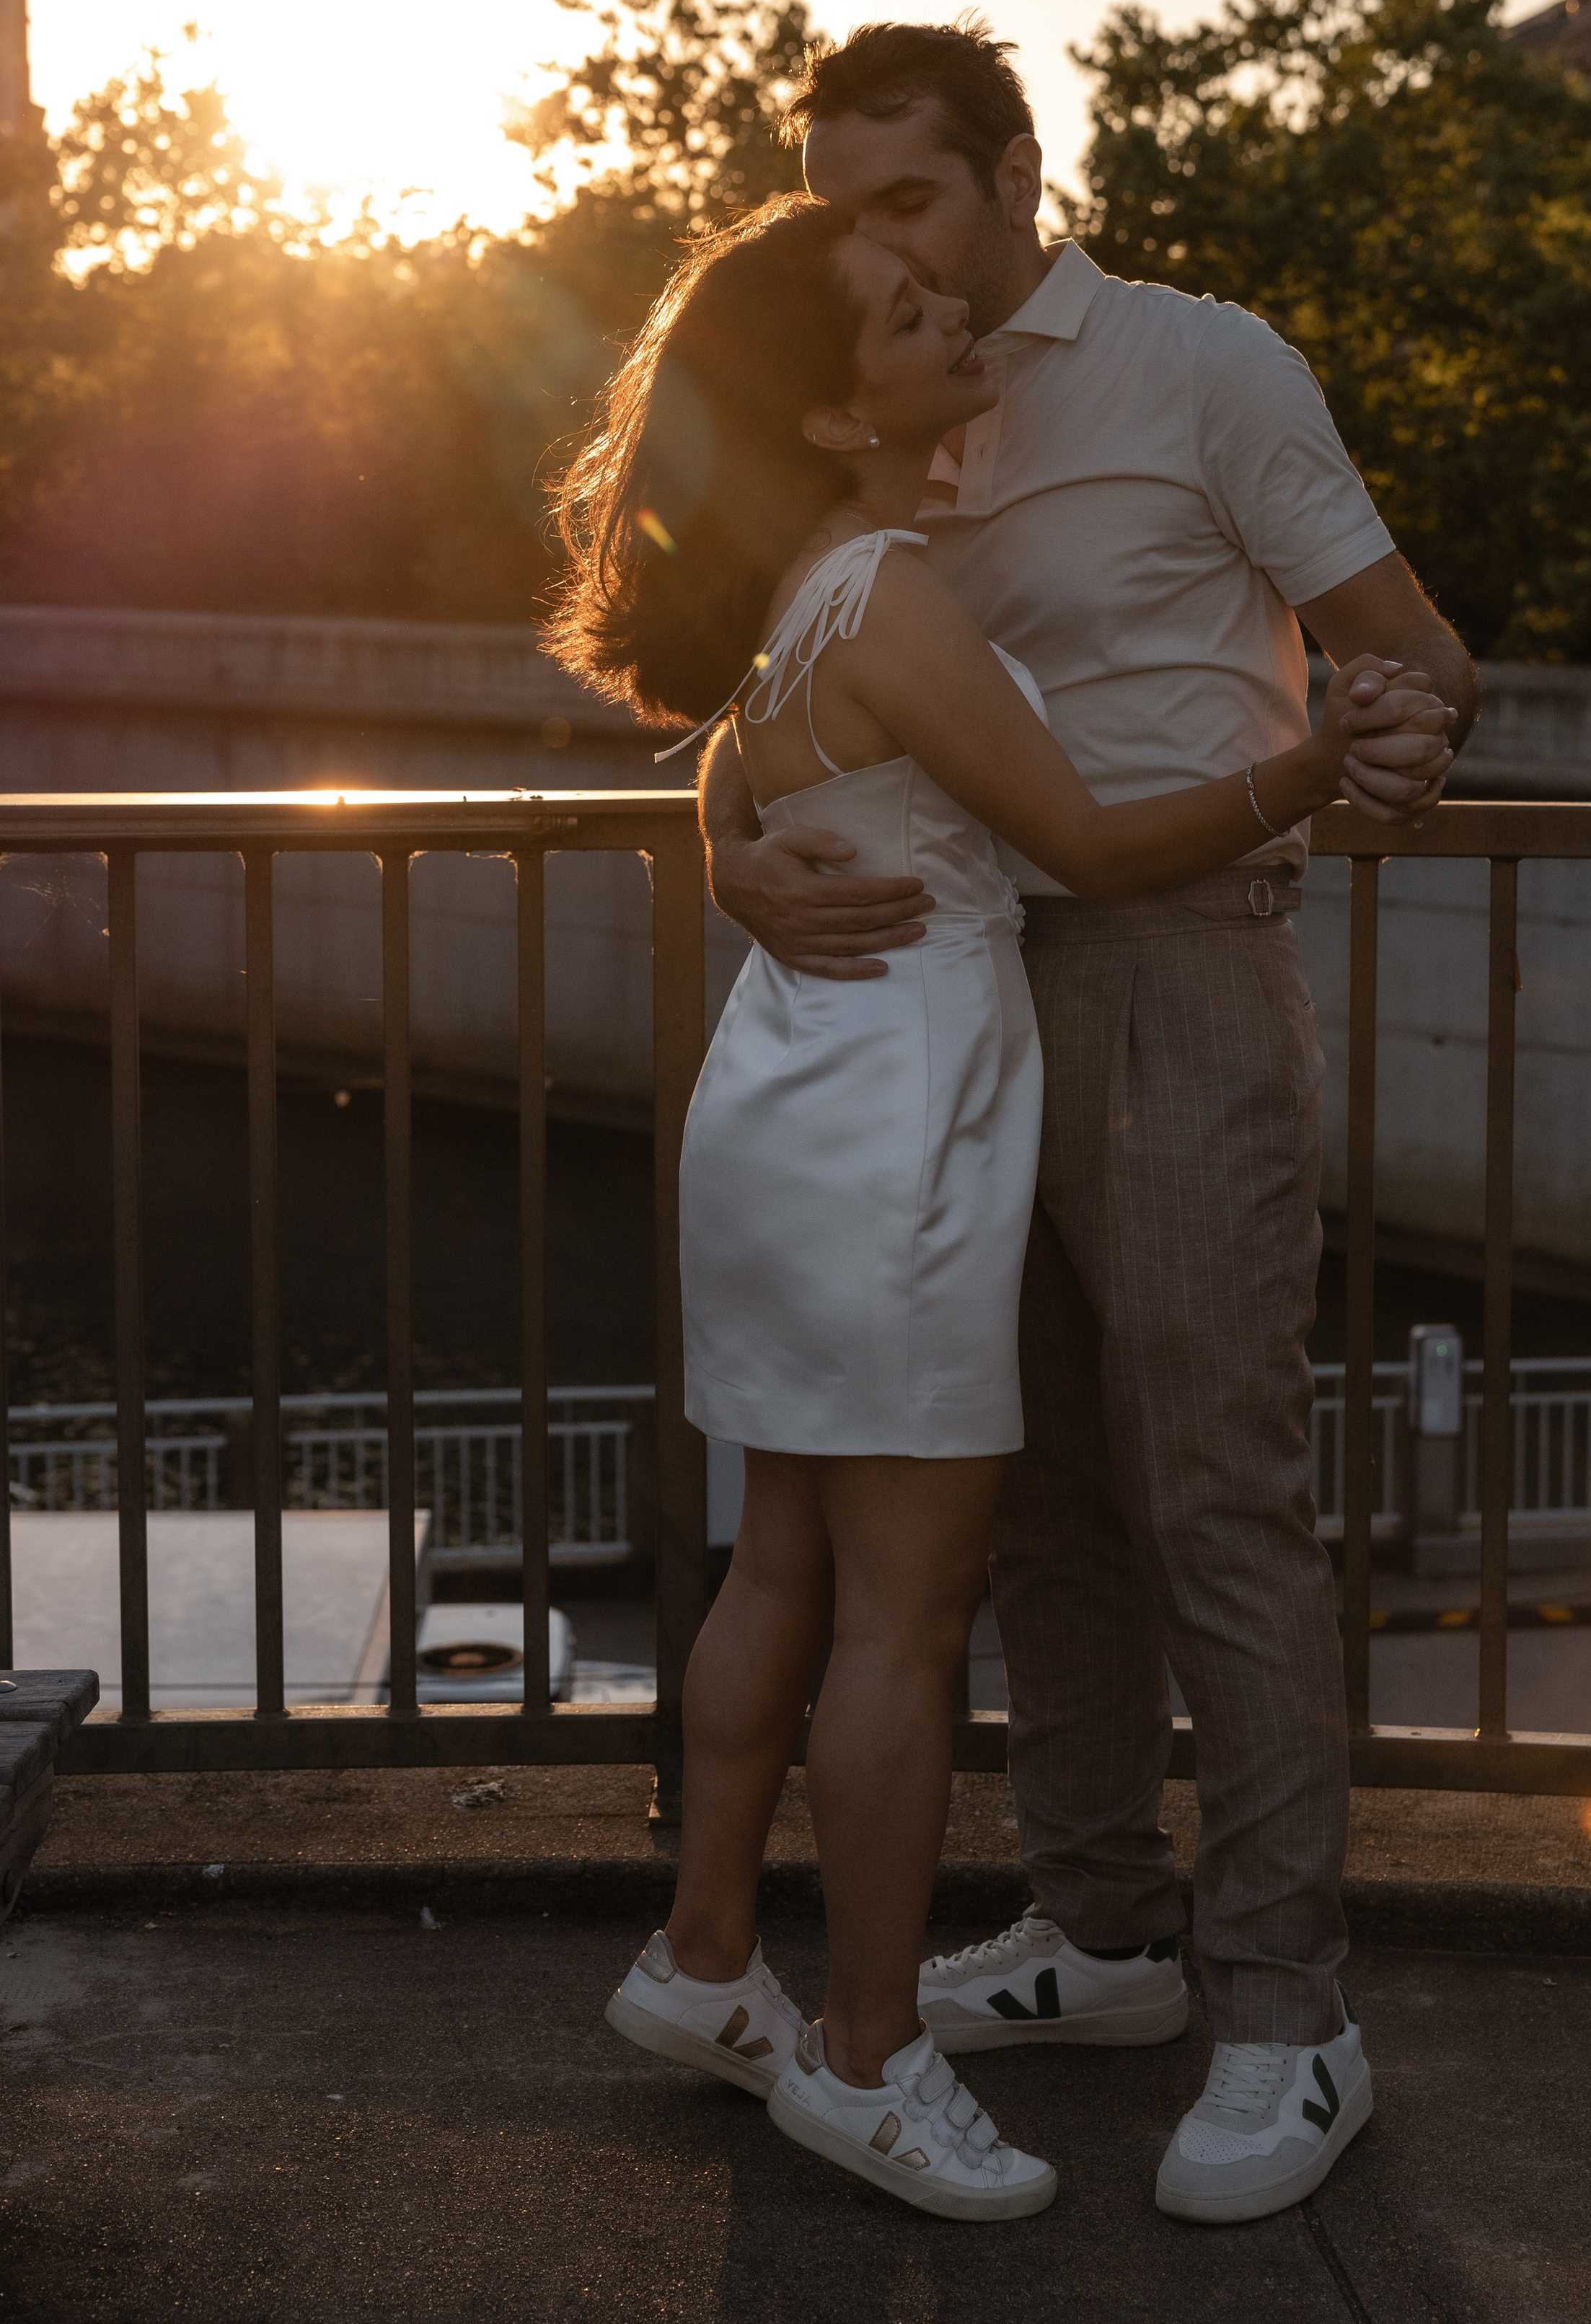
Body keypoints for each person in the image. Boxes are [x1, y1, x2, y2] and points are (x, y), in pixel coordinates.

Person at [545, 190, 1449, 2224]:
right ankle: (870, 2059)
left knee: (782, 1562)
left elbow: (761, 779)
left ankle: (705, 1958)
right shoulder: (891, 593)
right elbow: (1091, 847)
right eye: (903, 315)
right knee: (904, 1611)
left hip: (792, 1102)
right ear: (827, 412)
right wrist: (1310, 767)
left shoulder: (800, 599)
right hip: (909, 1124)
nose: (952, 317)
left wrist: (728, 843)